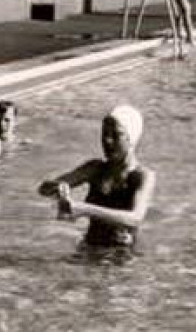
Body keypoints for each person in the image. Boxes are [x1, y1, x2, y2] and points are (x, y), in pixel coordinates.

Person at [38, 105, 156, 249]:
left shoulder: (142, 176)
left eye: (116, 135)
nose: (107, 140)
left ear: (131, 139)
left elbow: (135, 218)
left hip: (122, 257)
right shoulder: (95, 169)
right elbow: (43, 189)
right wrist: (57, 187)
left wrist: (84, 209)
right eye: (104, 134)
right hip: (89, 248)